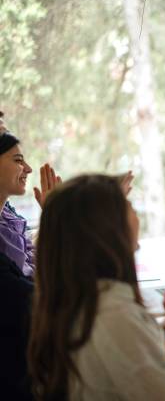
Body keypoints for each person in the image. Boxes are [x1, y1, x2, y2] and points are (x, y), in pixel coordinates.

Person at [28, 175, 165, 400]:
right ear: (106, 228)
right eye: (128, 204)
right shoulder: (113, 312)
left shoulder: (73, 295)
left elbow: (119, 358)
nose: (136, 212)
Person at [0, 113, 61, 401]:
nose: (27, 168)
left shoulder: (9, 216)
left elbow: (33, 264)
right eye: (17, 160)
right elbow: (33, 297)